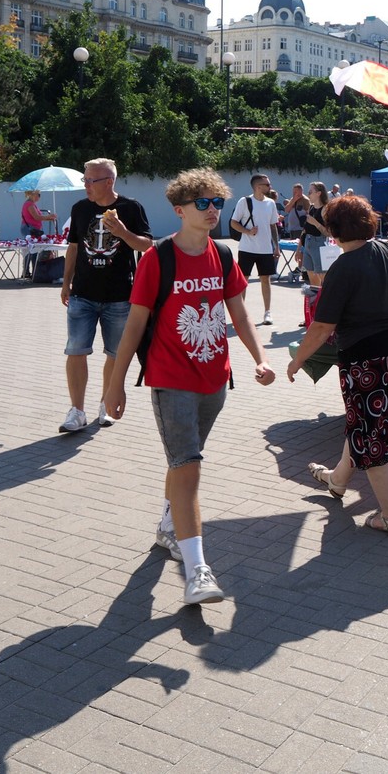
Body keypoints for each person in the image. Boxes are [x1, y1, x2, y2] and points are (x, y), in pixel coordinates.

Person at [102, 168, 275, 604]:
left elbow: (238, 313)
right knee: (189, 465)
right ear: (179, 210)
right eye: (203, 204)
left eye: (216, 202)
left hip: (215, 379)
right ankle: (197, 570)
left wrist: (261, 358)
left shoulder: (223, 254)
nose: (213, 210)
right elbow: (135, 325)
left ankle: (167, 525)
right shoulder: (158, 259)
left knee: (184, 463)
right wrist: (115, 385)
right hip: (170, 378)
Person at [287, 195, 388, 535]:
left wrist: (298, 360)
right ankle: (337, 480)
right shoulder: (386, 251)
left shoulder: (342, 268)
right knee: (365, 424)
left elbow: (321, 328)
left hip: (364, 362)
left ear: (333, 230)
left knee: (372, 433)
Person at [60, 158, 152, 433]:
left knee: (115, 353)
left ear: (109, 181)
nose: (86, 185)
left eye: (91, 180)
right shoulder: (80, 209)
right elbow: (74, 248)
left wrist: (122, 232)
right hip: (83, 295)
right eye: (84, 180)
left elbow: (147, 246)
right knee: (76, 351)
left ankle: (106, 404)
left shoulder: (130, 207)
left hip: (120, 296)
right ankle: (76, 411)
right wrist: (66, 283)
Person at [229, 174, 280, 325]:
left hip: (265, 249)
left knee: (266, 280)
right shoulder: (245, 201)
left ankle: (267, 313)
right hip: (247, 248)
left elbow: (273, 226)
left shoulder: (271, 203)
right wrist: (247, 231)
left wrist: (276, 247)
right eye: (267, 185)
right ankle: (241, 313)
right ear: (258, 187)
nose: (270, 187)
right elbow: (233, 222)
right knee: (243, 280)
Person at [302, 181, 331, 288]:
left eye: (310, 192)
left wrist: (315, 223)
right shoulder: (311, 207)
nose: (308, 194)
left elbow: (329, 233)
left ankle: (325, 302)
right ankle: (315, 303)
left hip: (319, 242)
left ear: (319, 193)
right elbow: (305, 230)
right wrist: (298, 249)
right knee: (312, 279)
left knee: (323, 278)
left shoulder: (325, 209)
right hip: (308, 242)